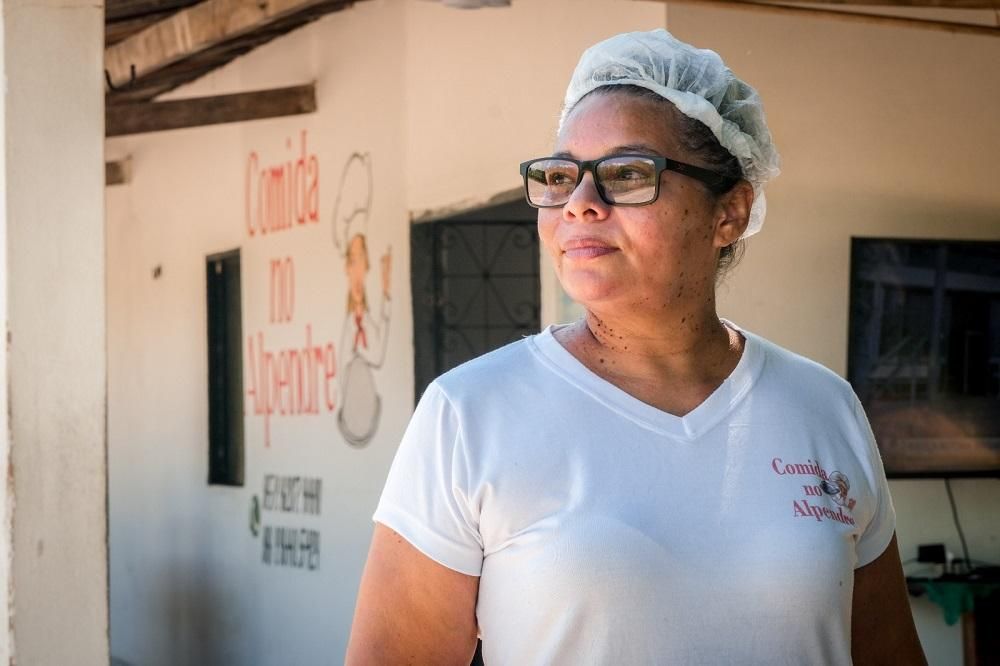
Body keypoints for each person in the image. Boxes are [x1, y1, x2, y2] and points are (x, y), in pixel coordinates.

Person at [346, 29, 926, 665]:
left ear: (729, 212)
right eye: (560, 176)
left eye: (626, 174)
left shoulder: (822, 407)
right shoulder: (470, 413)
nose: (580, 204)